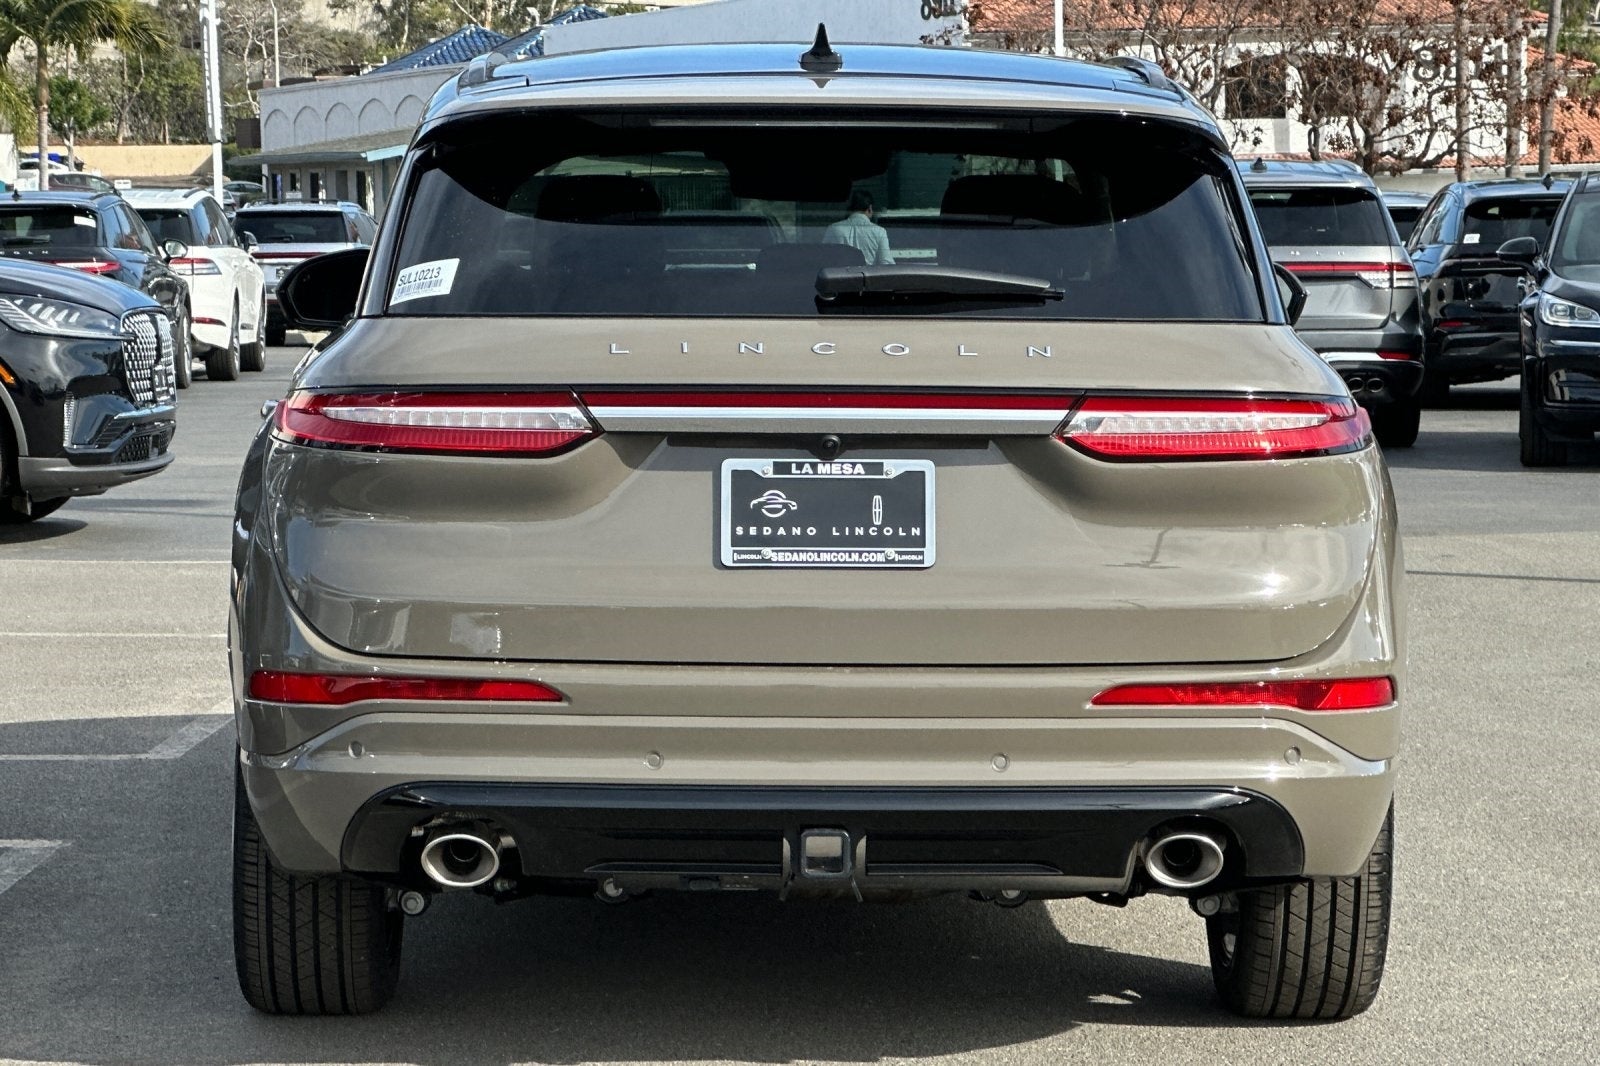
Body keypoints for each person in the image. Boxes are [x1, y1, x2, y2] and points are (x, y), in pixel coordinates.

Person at [824, 189, 895, 265]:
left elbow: (824, 258)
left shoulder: (833, 229)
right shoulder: (879, 231)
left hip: (839, 276)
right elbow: (886, 263)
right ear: (870, 208)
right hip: (868, 276)